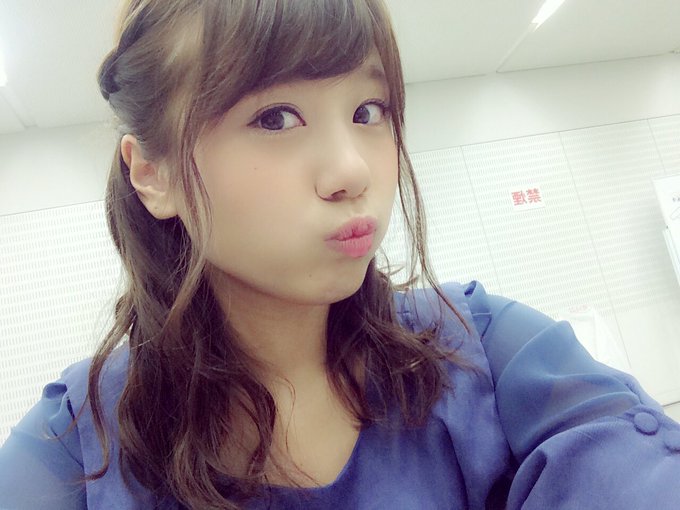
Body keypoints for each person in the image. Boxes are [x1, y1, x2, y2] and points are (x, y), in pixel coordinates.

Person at [1, 0, 679, 508]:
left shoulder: (483, 346)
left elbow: (625, 465)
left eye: (369, 111)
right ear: (153, 174)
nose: (352, 170)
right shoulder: (74, 445)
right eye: (275, 118)